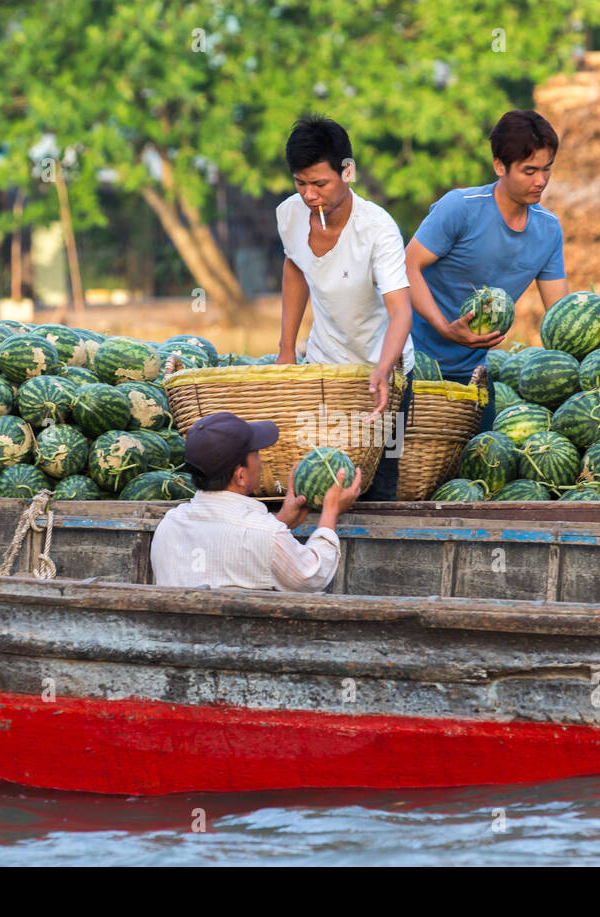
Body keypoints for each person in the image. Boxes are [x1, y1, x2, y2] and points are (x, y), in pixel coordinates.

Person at [275, 114, 414, 500]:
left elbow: (402, 312)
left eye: (320, 183)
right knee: (319, 479)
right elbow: (294, 266)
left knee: (381, 485)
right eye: (301, 183)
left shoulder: (378, 228)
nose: (309, 195)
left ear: (347, 171)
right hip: (324, 369)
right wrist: (287, 348)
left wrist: (385, 369)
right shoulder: (289, 215)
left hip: (386, 375)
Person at [406, 110, 570, 432]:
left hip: (473, 375)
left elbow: (561, 314)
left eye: (547, 169)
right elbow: (406, 266)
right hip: (412, 365)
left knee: (480, 469)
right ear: (499, 166)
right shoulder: (460, 208)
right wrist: (443, 327)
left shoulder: (548, 229)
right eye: (529, 171)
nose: (541, 181)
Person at [150, 411, 362, 592]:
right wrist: (330, 514)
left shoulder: (169, 524)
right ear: (240, 476)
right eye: (256, 455)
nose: (260, 462)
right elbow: (313, 575)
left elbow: (226, 558)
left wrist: (281, 520)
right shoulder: (267, 535)